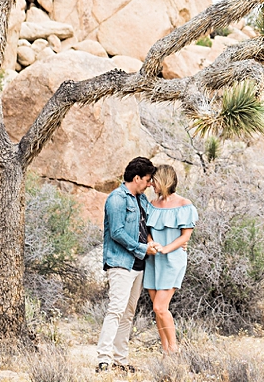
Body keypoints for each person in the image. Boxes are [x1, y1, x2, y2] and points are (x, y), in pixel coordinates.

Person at [96, 156, 160, 374]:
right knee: (116, 309)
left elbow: (151, 221)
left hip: (138, 264)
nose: (150, 184)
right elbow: (116, 232)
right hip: (121, 263)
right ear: (136, 178)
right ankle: (104, 359)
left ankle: (120, 359)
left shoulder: (141, 200)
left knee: (128, 312)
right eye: (148, 180)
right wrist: (142, 248)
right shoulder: (117, 199)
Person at [143, 163, 198, 354]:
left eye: (154, 181)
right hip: (153, 260)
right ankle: (166, 350)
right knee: (156, 310)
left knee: (160, 307)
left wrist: (165, 249)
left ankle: (175, 350)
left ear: (164, 181)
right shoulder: (151, 205)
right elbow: (146, 232)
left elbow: (185, 236)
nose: (151, 185)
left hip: (172, 260)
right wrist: (152, 244)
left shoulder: (185, 205)